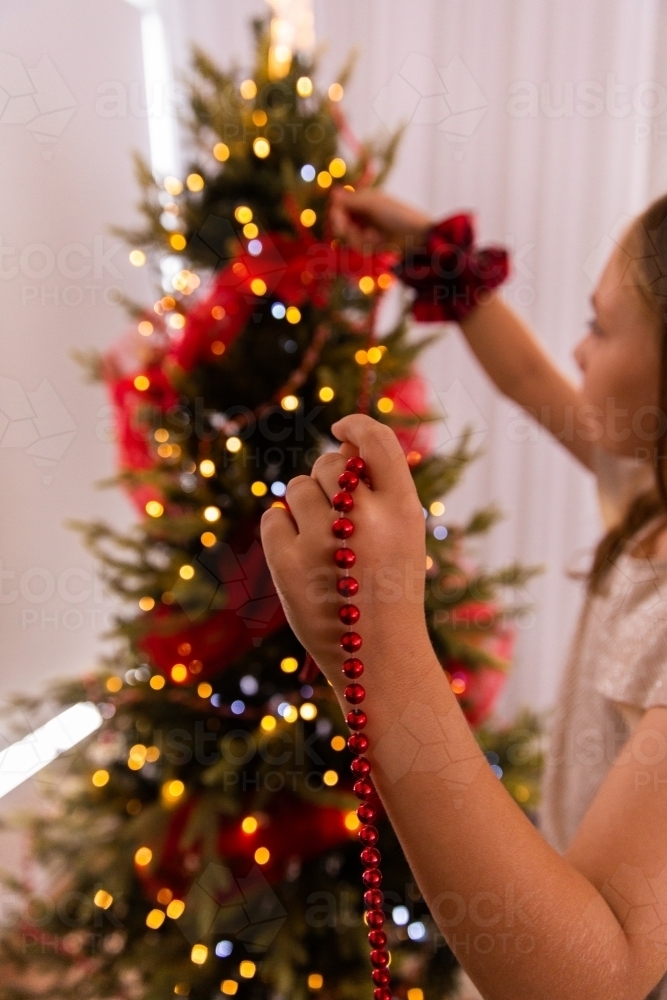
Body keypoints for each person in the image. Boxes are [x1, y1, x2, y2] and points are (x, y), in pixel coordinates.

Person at [260, 185, 667, 1000]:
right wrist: (429, 251)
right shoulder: (648, 481)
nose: (576, 354)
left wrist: (376, 639)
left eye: (598, 326)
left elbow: (599, 976)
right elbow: (524, 375)